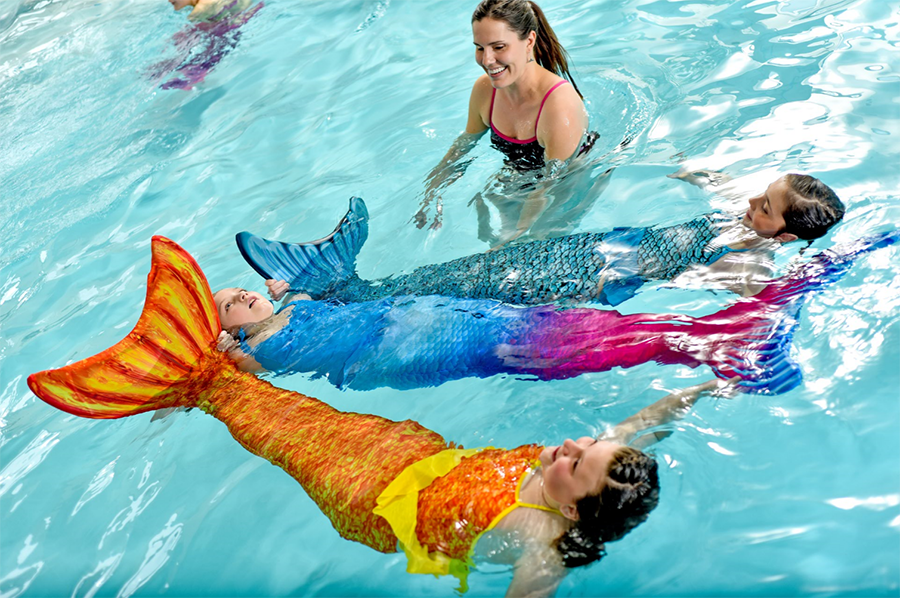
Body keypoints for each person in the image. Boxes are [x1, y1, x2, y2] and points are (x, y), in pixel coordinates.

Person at [27, 236, 734, 598]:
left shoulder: (543, 542)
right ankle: (200, 368)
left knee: (278, 434)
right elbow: (640, 427)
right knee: (295, 408)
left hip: (366, 501)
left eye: (577, 464)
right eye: (584, 448)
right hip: (411, 454)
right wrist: (703, 388)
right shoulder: (585, 472)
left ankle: (185, 379)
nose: (573, 446)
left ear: (577, 513)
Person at [214, 222, 897, 395]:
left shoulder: (292, 308)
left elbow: (300, 296)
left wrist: (293, 292)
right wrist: (229, 362)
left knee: (597, 327)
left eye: (234, 286)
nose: (238, 292)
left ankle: (733, 334)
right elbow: (236, 375)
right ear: (224, 335)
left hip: (439, 315)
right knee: (573, 339)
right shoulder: (265, 353)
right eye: (227, 306)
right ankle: (729, 342)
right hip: (434, 345)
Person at [236, 173, 846, 309]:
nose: (750, 202)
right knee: (463, 274)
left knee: (462, 294)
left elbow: (738, 292)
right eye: (760, 193)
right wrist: (688, 169)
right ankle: (332, 284)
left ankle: (331, 287)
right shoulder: (745, 218)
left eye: (764, 207)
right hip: (578, 251)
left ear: (785, 233)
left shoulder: (753, 262)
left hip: (585, 279)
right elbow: (721, 184)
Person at [415, 0, 601, 245]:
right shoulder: (485, 91)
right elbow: (464, 144)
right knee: (487, 237)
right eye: (480, 48)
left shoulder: (558, 104)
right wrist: (432, 194)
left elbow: (549, 184)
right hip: (522, 181)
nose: (488, 60)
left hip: (567, 186)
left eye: (499, 47)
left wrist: (514, 238)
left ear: (529, 41)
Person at [148, 0, 262, 90]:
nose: (168, 0)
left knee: (207, 53)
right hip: (247, 15)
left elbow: (212, 25)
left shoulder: (199, 11)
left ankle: (190, 77)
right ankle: (186, 72)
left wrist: (187, 33)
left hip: (228, 27)